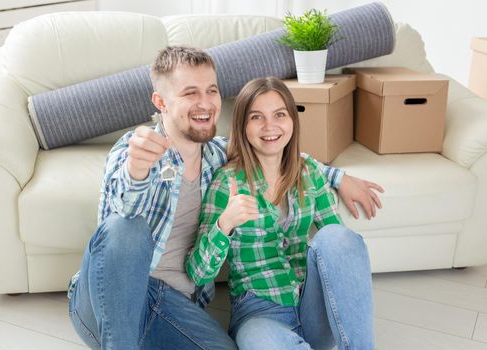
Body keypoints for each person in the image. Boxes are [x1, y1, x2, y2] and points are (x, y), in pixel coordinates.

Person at [68, 46, 381, 349]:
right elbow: (116, 226)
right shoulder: (134, 152)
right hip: (111, 300)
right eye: (190, 93)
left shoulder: (219, 154)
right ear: (161, 101)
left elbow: (275, 150)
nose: (205, 103)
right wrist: (136, 172)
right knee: (126, 228)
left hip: (174, 308)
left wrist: (338, 177)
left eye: (212, 91)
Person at [186, 77, 376, 350]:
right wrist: (224, 224)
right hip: (258, 314)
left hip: (314, 309)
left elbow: (338, 250)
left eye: (279, 114)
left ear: (292, 121)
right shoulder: (225, 182)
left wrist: (340, 178)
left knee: (339, 237)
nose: (269, 126)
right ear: (242, 125)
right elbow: (197, 274)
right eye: (256, 117)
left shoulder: (309, 172)